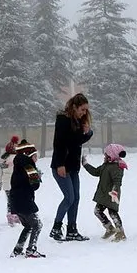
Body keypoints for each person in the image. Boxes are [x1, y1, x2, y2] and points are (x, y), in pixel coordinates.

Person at [49, 93, 94, 241]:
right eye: (82, 109)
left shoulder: (78, 121)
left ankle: (72, 230)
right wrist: (60, 164)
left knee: (76, 198)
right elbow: (60, 143)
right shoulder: (63, 120)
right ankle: (56, 228)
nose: (84, 113)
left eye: (86, 110)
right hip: (61, 166)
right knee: (69, 197)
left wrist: (88, 132)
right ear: (74, 107)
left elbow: (76, 141)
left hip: (73, 166)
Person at [82, 143, 128, 242]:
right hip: (103, 195)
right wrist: (86, 164)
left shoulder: (117, 167)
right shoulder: (106, 165)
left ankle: (121, 233)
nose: (104, 156)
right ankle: (110, 228)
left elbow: (117, 181)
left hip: (112, 195)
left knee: (113, 213)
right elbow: (95, 172)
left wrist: (114, 192)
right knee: (97, 211)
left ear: (111, 155)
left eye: (106, 154)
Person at [9, 140, 46, 258]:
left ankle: (18, 249)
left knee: (29, 225)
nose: (37, 158)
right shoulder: (29, 166)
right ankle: (31, 250)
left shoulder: (18, 165)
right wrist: (37, 176)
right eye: (35, 156)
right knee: (37, 224)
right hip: (24, 200)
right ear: (29, 155)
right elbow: (35, 185)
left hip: (15, 200)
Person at [0, 135, 20, 227]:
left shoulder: (3, 159)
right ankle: (17, 216)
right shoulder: (18, 158)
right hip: (17, 183)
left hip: (7, 184)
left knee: (9, 201)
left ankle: (10, 216)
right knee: (17, 200)